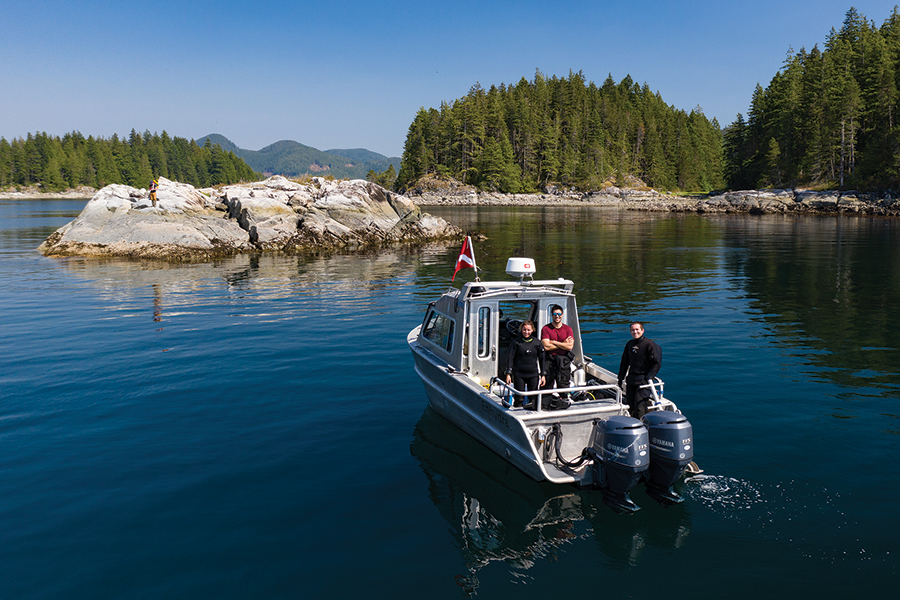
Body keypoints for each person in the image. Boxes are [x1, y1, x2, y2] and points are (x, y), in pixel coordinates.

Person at [617, 322, 662, 417]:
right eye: (633, 330)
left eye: (637, 329)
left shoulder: (649, 344)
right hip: (632, 379)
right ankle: (632, 424)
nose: (635, 332)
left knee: (640, 405)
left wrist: (649, 376)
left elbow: (656, 363)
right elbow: (624, 362)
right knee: (630, 405)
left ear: (642, 330)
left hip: (644, 379)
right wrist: (620, 378)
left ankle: (642, 424)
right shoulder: (629, 344)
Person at [505, 320, 546, 408]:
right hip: (519, 374)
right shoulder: (516, 342)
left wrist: (543, 375)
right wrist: (508, 373)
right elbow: (510, 358)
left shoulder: (537, 343)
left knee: (533, 398)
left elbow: (542, 359)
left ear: (532, 330)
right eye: (524, 330)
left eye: (528, 330)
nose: (526, 332)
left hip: (533, 374)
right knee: (519, 397)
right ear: (521, 330)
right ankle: (517, 413)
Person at [541, 304, 574, 408]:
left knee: (563, 382)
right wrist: (562, 344)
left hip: (563, 361)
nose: (557, 316)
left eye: (559, 314)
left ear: (562, 315)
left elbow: (570, 346)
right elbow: (546, 347)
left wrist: (554, 342)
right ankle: (544, 404)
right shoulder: (546, 329)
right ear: (552, 315)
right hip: (549, 360)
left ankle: (564, 403)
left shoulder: (568, 329)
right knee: (547, 383)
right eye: (555, 314)